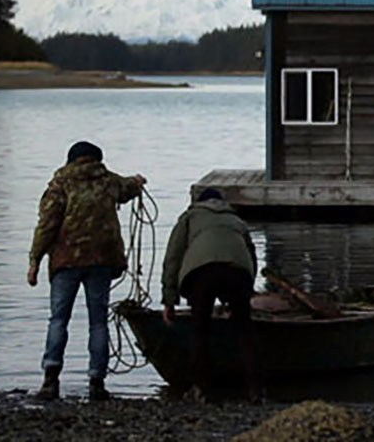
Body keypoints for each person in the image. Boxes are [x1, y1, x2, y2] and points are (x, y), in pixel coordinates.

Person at [28, 141, 146, 401]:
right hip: (101, 262)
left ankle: (50, 380)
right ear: (96, 159)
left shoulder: (60, 184)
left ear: (71, 160)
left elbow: (46, 225)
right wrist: (138, 182)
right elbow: (128, 187)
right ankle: (96, 383)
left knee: (58, 320)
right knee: (98, 321)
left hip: (65, 261)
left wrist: (35, 259)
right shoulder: (108, 181)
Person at [161, 187, 263, 403]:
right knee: (245, 331)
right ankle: (255, 391)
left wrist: (169, 300)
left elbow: (173, 258)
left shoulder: (189, 217)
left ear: (199, 202)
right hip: (238, 272)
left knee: (199, 330)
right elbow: (251, 258)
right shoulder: (236, 220)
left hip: (201, 274)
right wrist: (244, 295)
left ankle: (202, 389)